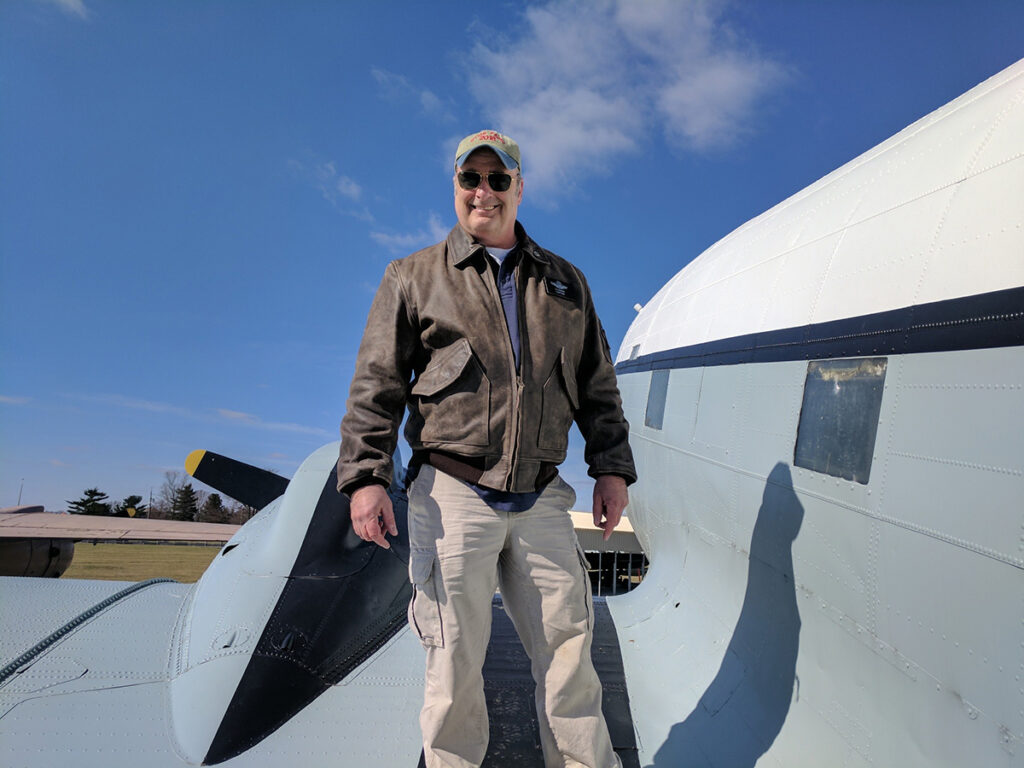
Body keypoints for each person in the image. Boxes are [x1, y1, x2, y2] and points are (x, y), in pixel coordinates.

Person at [338, 129, 636, 768]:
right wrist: (365, 477)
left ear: (519, 189)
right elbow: (376, 384)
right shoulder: (413, 277)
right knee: (452, 669)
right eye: (471, 179)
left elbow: (597, 386)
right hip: (452, 496)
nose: (484, 192)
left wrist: (610, 467)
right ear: (455, 188)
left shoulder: (566, 283)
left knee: (569, 663)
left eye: (499, 180)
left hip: (541, 500)